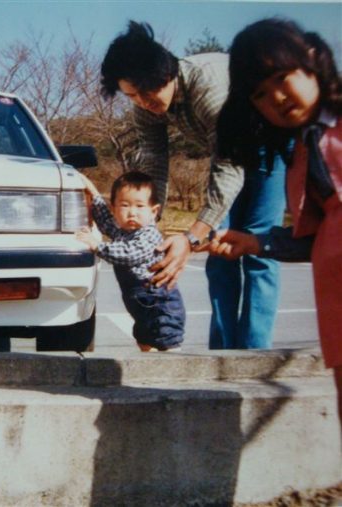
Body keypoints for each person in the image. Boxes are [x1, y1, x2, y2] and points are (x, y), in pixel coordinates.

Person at [99, 20, 286, 350]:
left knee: (256, 249)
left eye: (147, 91)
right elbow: (154, 161)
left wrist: (191, 236)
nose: (142, 102)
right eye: (132, 96)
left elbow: (231, 165)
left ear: (166, 73)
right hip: (227, 155)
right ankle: (223, 353)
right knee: (219, 255)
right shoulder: (145, 107)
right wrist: (147, 225)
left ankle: (255, 355)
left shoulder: (209, 88)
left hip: (268, 148)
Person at [209, 18, 342, 418]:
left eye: (283, 77)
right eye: (261, 94)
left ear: (314, 60)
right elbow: (315, 237)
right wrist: (258, 243)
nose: (278, 98)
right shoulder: (301, 153)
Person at [76, 171, 185, 352]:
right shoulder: (123, 232)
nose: (132, 212)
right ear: (114, 209)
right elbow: (105, 221)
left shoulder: (149, 235)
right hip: (139, 305)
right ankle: (148, 364)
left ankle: (173, 371)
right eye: (124, 205)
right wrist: (93, 193)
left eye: (140, 206)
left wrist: (97, 246)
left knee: (167, 341)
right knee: (143, 339)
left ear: (154, 211)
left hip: (159, 304)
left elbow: (128, 254)